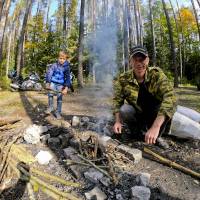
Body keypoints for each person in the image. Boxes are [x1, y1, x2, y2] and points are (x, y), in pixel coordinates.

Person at [113, 45, 176, 146]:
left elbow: (171, 97)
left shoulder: (156, 75)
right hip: (139, 113)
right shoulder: (123, 79)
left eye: (142, 59)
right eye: (135, 59)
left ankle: (157, 134)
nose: (139, 63)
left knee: (167, 108)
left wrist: (155, 127)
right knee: (124, 109)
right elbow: (117, 101)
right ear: (130, 61)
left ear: (147, 60)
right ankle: (138, 132)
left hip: (156, 114)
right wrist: (117, 121)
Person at [45, 51, 71, 119]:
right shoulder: (54, 65)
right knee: (50, 94)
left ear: (65, 59)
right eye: (60, 58)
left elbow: (68, 78)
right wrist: (48, 83)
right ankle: (50, 107)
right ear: (58, 58)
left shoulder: (67, 67)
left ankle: (58, 112)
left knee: (59, 99)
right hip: (53, 82)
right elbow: (49, 73)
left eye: (63, 59)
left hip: (60, 84)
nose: (61, 60)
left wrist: (66, 88)